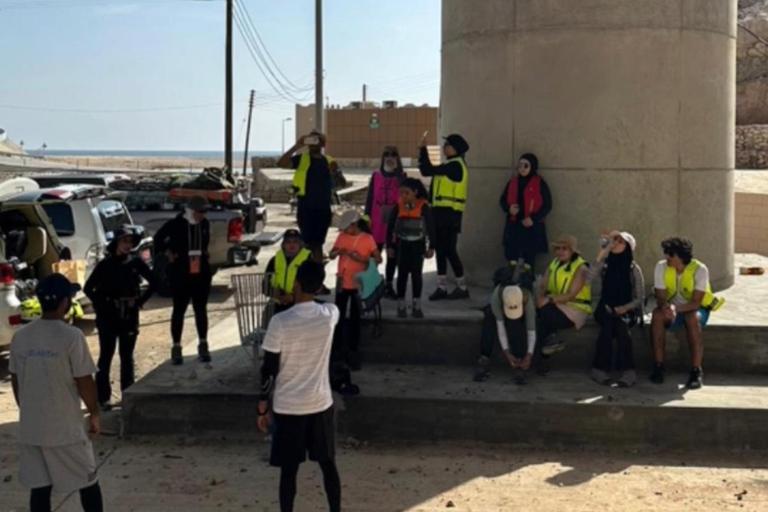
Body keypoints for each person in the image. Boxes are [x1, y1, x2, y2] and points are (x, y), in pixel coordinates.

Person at [9, 274, 104, 512]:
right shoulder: (72, 336)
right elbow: (84, 382)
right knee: (88, 483)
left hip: (32, 428)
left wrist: (29, 410)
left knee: (40, 489)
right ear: (64, 302)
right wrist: (94, 413)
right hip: (66, 430)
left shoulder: (21, 336)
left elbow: (16, 380)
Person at [257, 260, 342, 512]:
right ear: (318, 288)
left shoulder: (280, 322)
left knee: (288, 473)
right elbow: (326, 304)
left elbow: (268, 370)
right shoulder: (330, 315)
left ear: (295, 283)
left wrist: (262, 407)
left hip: (288, 407)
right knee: (328, 466)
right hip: (320, 404)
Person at [84, 226, 157, 410]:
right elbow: (88, 289)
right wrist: (103, 306)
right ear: (116, 243)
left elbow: (154, 281)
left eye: (130, 242)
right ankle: (103, 398)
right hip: (108, 316)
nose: (127, 245)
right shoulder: (105, 265)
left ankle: (128, 394)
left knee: (127, 356)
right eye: (124, 241)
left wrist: (139, 301)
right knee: (106, 356)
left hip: (129, 315)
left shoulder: (135, 262)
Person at [651, 237, 724, 389]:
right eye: (666, 253)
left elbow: (696, 302)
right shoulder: (661, 267)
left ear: (681, 256)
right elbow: (660, 297)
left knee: (692, 319)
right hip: (671, 308)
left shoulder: (700, 269)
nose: (667, 257)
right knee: (657, 315)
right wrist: (666, 308)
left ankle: (696, 370)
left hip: (695, 309)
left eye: (671, 254)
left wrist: (675, 309)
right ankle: (659, 366)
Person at [154, 195, 213, 365]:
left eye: (205, 211)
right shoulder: (175, 224)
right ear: (191, 210)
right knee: (179, 309)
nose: (203, 214)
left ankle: (203, 344)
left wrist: (204, 253)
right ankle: (176, 346)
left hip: (200, 271)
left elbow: (205, 242)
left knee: (200, 308)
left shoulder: (205, 224)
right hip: (180, 271)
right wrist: (168, 253)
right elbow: (158, 240)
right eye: (200, 211)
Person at [418, 133, 470, 301]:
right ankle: (442, 287)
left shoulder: (455, 166)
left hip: (450, 214)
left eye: (447, 144)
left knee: (449, 251)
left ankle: (462, 287)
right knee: (441, 250)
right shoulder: (449, 164)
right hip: (441, 213)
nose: (444, 146)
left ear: (456, 149)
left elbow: (427, 170)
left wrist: (422, 150)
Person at [278, 130, 343, 262]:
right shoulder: (302, 159)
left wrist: (335, 172)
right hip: (305, 209)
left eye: (316, 139)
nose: (313, 143)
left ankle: (317, 278)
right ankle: (307, 276)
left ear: (323, 143)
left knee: (318, 245)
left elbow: (342, 183)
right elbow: (281, 163)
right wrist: (296, 146)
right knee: (307, 245)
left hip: (323, 209)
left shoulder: (329, 161)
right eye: (310, 139)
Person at [590, 231, 644, 388]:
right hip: (605, 307)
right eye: (615, 240)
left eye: (620, 241)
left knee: (621, 326)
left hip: (627, 309)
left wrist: (625, 308)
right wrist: (603, 251)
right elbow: (589, 277)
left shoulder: (633, 269)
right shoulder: (605, 265)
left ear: (628, 246)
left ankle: (628, 371)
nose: (615, 243)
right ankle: (598, 370)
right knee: (607, 325)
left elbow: (639, 298)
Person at [330, 210, 382, 370]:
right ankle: (337, 352)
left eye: (346, 228)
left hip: (358, 285)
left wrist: (359, 258)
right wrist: (338, 252)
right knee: (336, 318)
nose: (344, 231)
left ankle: (353, 352)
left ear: (354, 225)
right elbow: (331, 254)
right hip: (342, 282)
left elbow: (378, 259)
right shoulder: (341, 237)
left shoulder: (367, 239)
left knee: (355, 319)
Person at [473, 259, 537, 385]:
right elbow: (500, 326)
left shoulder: (527, 298)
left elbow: (531, 329)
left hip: (519, 315)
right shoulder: (497, 296)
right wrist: (507, 353)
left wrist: (530, 354)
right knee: (490, 317)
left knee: (516, 324)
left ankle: (519, 359)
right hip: (498, 310)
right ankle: (484, 358)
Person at [536, 234, 593, 374]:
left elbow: (571, 295)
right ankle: (547, 349)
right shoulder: (554, 263)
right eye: (558, 248)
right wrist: (539, 297)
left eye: (564, 248)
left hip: (576, 308)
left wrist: (547, 300)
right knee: (539, 315)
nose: (560, 252)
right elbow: (543, 284)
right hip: (555, 305)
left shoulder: (581, 267)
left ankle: (543, 358)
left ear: (572, 250)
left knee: (544, 315)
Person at [386, 177, 436, 318]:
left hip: (418, 245)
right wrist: (389, 246)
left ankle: (416, 306)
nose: (403, 196)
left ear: (415, 192)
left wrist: (432, 246)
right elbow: (390, 228)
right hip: (402, 245)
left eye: (406, 193)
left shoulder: (423, 208)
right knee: (401, 275)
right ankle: (401, 305)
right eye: (401, 193)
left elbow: (432, 229)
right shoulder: (398, 207)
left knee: (416, 275)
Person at [499, 153, 552, 271]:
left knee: (529, 260)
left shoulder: (540, 183)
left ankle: (526, 284)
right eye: (520, 165)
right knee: (511, 257)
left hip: (531, 227)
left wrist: (533, 219)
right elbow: (502, 200)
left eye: (526, 165)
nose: (522, 168)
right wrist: (509, 208)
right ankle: (511, 284)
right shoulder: (512, 182)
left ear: (532, 167)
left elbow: (547, 205)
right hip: (514, 225)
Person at [365, 145, 405, 298]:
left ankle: (389, 284)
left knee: (392, 256)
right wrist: (366, 218)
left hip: (394, 222)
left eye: (393, 155)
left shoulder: (401, 176)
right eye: (387, 155)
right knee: (373, 255)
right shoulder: (376, 176)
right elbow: (370, 198)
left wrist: (397, 172)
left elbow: (404, 190)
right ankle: (372, 283)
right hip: (377, 222)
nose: (390, 158)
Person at [264, 229, 312, 315]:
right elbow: (266, 282)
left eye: (295, 241)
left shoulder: (308, 259)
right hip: (278, 300)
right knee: (268, 315)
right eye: (288, 242)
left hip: (300, 301)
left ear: (301, 244)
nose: (292, 244)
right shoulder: (275, 260)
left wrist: (293, 297)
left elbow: (312, 285)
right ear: (283, 244)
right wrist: (273, 292)